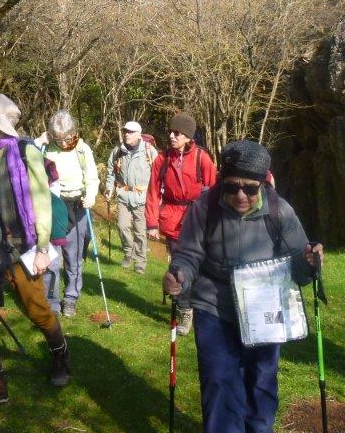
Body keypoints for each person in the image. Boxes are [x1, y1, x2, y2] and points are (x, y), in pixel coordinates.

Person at [163, 139, 322, 433]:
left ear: (263, 183)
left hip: (265, 309)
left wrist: (310, 262)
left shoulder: (280, 211)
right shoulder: (205, 206)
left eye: (250, 189)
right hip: (214, 306)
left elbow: (300, 268)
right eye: (232, 186)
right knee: (219, 381)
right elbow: (188, 254)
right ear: (222, 181)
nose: (240, 195)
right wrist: (179, 275)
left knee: (261, 382)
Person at [0, 93, 71, 404]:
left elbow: (41, 202)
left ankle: (60, 354)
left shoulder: (26, 152)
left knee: (36, 309)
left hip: (21, 248)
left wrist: (42, 247)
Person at [147, 111, 217, 334]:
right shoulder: (162, 159)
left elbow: (214, 191)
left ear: (188, 136)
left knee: (203, 266)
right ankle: (185, 310)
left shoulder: (202, 158)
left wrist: (215, 222)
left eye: (177, 133)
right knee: (179, 267)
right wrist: (151, 223)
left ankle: (202, 306)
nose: (171, 136)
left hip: (199, 218)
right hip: (172, 219)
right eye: (171, 131)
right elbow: (152, 191)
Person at [43, 110, 99, 317]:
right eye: (59, 139)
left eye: (67, 137)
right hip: (53, 207)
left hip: (77, 206)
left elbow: (92, 178)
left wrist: (91, 196)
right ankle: (51, 301)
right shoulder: (46, 149)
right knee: (52, 259)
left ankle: (70, 298)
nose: (64, 142)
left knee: (73, 258)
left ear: (73, 132)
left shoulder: (83, 150)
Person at [104, 120, 157, 274]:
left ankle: (140, 262)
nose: (127, 134)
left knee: (140, 232)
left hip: (142, 198)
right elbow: (111, 171)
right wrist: (109, 189)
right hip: (124, 195)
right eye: (125, 131)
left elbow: (158, 174)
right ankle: (129, 252)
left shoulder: (149, 151)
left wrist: (157, 196)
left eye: (131, 132)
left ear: (139, 134)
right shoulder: (118, 151)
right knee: (122, 226)